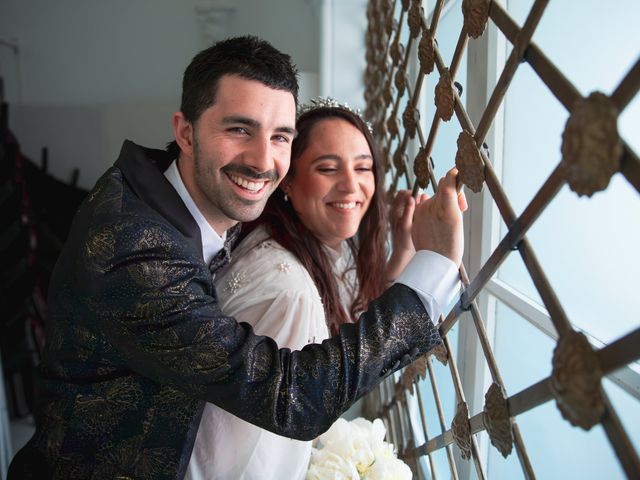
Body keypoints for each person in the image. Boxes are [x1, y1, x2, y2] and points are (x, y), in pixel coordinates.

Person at [8, 36, 466, 480]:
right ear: (185, 132)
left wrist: (397, 261)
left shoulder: (173, 195)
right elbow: (293, 396)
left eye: (281, 137)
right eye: (239, 129)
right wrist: (435, 266)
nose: (262, 160)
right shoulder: (137, 248)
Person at [186, 99, 429, 480]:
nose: (351, 185)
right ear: (288, 182)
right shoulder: (289, 292)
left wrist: (401, 254)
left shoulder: (311, 243)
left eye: (363, 168)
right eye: (328, 169)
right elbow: (239, 457)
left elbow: (347, 321)